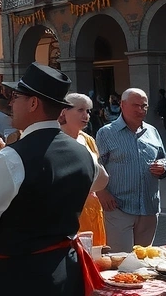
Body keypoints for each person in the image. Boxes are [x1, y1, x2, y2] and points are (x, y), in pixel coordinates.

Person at [0, 64, 107, 296]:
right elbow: (101, 182)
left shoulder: (11, 158)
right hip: (67, 273)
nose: (10, 103)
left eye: (15, 96)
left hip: (21, 277)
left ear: (33, 103)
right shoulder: (84, 153)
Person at [95, 87, 166, 252]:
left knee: (144, 262)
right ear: (122, 105)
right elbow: (96, 165)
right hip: (118, 207)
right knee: (121, 262)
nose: (140, 110)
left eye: (144, 106)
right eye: (135, 105)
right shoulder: (106, 133)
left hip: (149, 208)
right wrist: (101, 191)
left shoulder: (152, 131)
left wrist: (164, 166)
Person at [58, 92, 108, 247]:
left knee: (96, 256)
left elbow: (98, 171)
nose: (86, 115)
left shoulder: (88, 140)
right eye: (80, 110)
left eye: (88, 111)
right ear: (63, 112)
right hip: (68, 210)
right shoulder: (55, 140)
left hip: (92, 208)